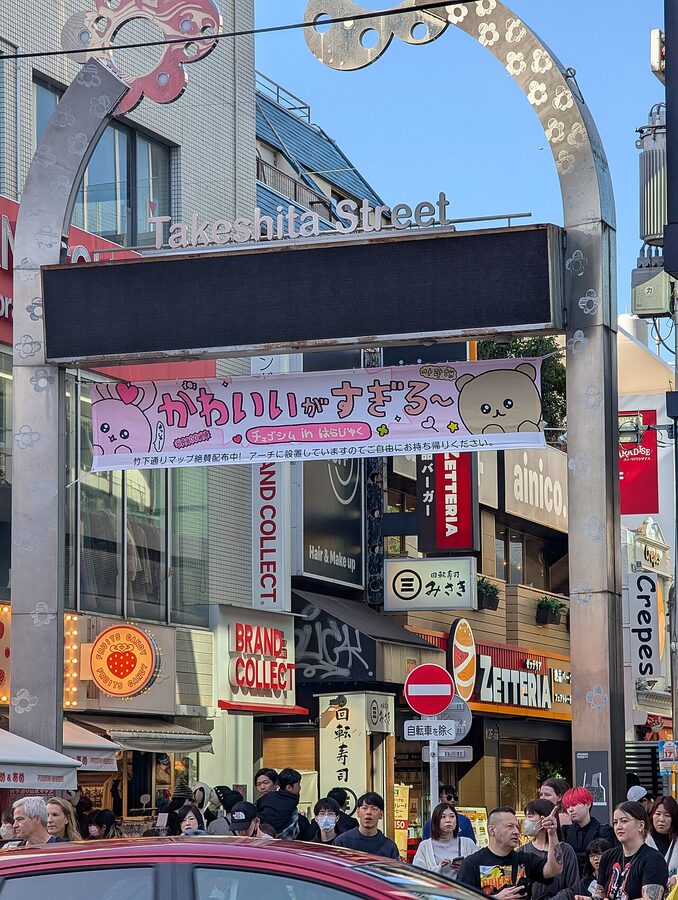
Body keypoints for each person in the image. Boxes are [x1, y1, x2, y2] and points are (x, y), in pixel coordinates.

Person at [456, 806, 563, 897]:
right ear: (492, 830)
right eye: (510, 826)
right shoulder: (472, 863)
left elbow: (555, 869)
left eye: (516, 826)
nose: (516, 832)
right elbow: (459, 897)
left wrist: (552, 833)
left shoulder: (525, 859)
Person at [576, 801, 668, 900]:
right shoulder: (608, 856)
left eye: (624, 821)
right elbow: (600, 894)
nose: (618, 827)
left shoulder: (654, 859)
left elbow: (650, 898)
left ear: (641, 825)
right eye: (615, 822)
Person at [523, 798, 580, 900]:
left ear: (544, 817)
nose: (526, 821)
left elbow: (573, 888)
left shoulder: (566, 850)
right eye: (526, 817)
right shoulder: (523, 851)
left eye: (530, 816)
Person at [413, 801, 478, 877]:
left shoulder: (468, 843)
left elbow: (481, 868)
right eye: (443, 817)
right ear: (435, 821)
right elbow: (417, 874)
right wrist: (439, 868)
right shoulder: (425, 846)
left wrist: (465, 868)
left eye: (452, 816)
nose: (448, 820)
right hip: (435, 888)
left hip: (461, 888)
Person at [562, 788, 616, 875]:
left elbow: (606, 857)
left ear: (588, 804)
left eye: (575, 804)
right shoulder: (564, 831)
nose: (570, 810)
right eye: (567, 806)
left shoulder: (604, 831)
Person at [333, 792, 400, 859]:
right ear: (358, 812)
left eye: (374, 809)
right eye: (365, 808)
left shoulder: (390, 847)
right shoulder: (342, 842)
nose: (369, 812)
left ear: (381, 814)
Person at [257, 767, 309, 840]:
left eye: (265, 783)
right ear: (289, 787)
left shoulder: (265, 799)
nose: (300, 788)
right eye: (298, 784)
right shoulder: (291, 805)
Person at [647, 796, 678, 889]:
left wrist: (676, 878)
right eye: (657, 814)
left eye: (667, 815)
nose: (661, 819)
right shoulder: (642, 840)